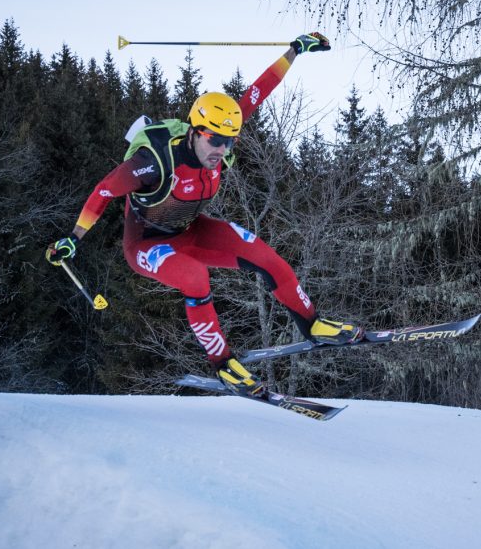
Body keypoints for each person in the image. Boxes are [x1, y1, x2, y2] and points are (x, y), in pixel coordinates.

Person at [45, 32, 361, 396]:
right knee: (196, 277)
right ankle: (223, 363)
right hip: (147, 244)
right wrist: (74, 237)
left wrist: (295, 50)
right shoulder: (154, 162)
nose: (222, 149)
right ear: (195, 133)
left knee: (265, 256)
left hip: (191, 230)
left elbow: (260, 89)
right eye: (214, 140)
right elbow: (104, 190)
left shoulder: (222, 134)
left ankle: (312, 324)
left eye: (230, 142)